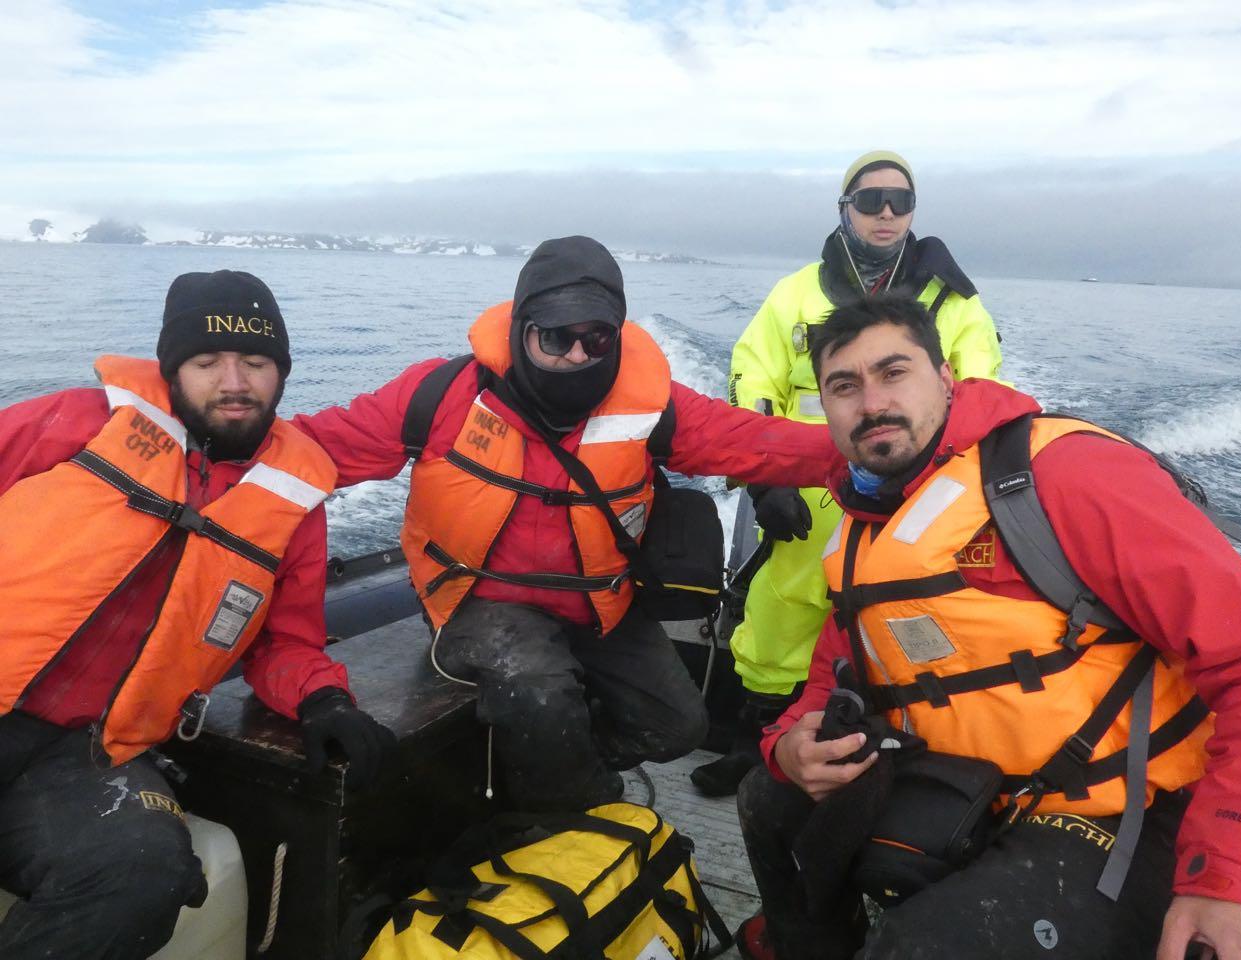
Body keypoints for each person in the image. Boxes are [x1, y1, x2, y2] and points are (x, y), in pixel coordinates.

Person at [735, 293, 1241, 960]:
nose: (871, 402)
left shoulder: (1064, 475)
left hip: (1127, 804)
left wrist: (1228, 877)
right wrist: (789, 743)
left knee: (921, 950)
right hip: (973, 783)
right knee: (769, 801)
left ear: (945, 378)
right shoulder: (860, 530)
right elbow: (838, 668)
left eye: (894, 372)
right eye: (844, 386)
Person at [293, 235, 840, 812]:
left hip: (597, 602)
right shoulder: (439, 396)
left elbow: (753, 442)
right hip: (479, 600)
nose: (577, 355)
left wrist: (872, 449)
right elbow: (316, 449)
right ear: (522, 329)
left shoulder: (652, 407)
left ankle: (546, 766)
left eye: (596, 337)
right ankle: (566, 811)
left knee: (680, 725)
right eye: (556, 336)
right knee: (537, 690)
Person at [0, 270, 396, 960]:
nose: (234, 380)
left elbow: (284, 644)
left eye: (256, 361)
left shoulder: (291, 506)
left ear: (282, 372)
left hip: (88, 756)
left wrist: (325, 700)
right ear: (172, 368)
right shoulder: (75, 422)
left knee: (144, 871)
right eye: (207, 362)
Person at [694, 150, 1006, 797]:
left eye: (901, 199)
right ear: (845, 209)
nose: (887, 211)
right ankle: (760, 751)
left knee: (898, 623)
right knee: (774, 628)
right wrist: (764, 480)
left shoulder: (953, 303)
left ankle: (881, 757)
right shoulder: (795, 295)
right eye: (871, 200)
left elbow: (979, 390)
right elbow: (753, 377)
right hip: (801, 500)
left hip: (908, 500)